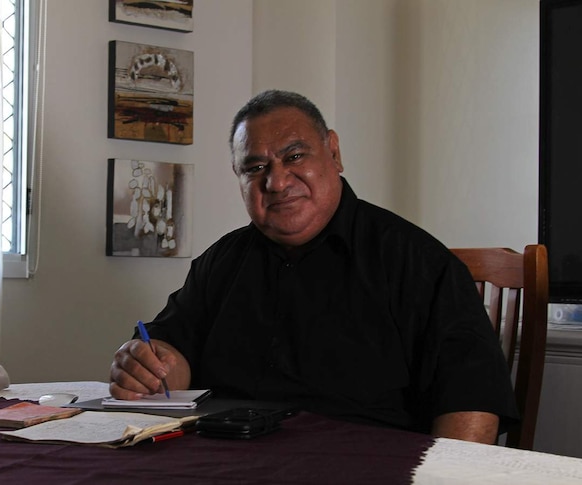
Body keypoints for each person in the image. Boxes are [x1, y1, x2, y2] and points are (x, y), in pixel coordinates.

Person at [109, 89, 518, 444]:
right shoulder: (222, 262)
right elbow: (170, 357)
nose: (277, 181)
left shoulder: (419, 262)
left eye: (295, 155)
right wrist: (150, 365)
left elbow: (472, 402)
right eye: (255, 168)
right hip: (224, 461)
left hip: (361, 467)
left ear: (334, 153)